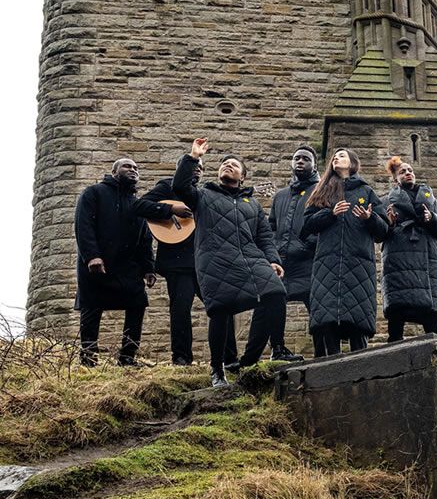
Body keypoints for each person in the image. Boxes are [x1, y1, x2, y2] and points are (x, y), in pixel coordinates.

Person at [171, 139, 286, 387]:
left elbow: (265, 237)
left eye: (233, 165)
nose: (228, 166)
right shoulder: (203, 196)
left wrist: (273, 260)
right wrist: (192, 157)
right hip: (215, 260)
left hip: (251, 259)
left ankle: (250, 359)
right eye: (224, 164)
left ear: (242, 177)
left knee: (276, 294)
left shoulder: (252, 204)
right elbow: (179, 186)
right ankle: (217, 370)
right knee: (221, 312)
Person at [73, 158, 186, 367]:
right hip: (98, 263)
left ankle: (127, 357)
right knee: (92, 309)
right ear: (114, 171)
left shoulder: (137, 203)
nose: (133, 170)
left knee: (137, 304)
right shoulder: (94, 193)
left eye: (136, 168)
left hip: (127, 267)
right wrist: (92, 256)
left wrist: (148, 268)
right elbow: (83, 226)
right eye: (127, 166)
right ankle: (88, 358)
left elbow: (144, 238)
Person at [134, 157, 236, 367]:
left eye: (201, 168)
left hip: (205, 262)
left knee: (222, 306)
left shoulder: (205, 194)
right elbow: (139, 205)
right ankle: (181, 358)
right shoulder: (167, 186)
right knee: (180, 310)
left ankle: (229, 357)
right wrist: (170, 211)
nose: (197, 170)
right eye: (193, 166)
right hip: (178, 263)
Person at [300, 148, 388, 356]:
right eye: (334, 156)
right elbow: (306, 226)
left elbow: (383, 231)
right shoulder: (322, 191)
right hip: (327, 264)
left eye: (342, 155)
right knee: (328, 320)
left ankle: (362, 367)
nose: (336, 158)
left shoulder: (366, 192)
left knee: (358, 321)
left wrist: (370, 218)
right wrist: (330, 214)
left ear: (352, 163)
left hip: (358, 264)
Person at [381, 157, 437, 342]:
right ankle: (394, 354)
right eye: (402, 171)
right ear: (396, 178)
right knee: (397, 311)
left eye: (410, 170)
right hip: (398, 258)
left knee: (431, 317)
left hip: (429, 257)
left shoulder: (431, 200)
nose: (408, 173)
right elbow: (378, 234)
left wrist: (431, 218)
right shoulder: (386, 200)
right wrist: (388, 223)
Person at [268, 145, 320, 359]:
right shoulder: (280, 196)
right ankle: (277, 350)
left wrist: (307, 245)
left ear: (314, 164)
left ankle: (323, 352)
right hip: (282, 263)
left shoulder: (320, 190)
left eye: (305, 159)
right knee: (274, 304)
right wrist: (273, 250)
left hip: (308, 261)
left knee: (316, 308)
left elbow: (324, 221)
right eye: (297, 158)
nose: (300, 161)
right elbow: (271, 227)